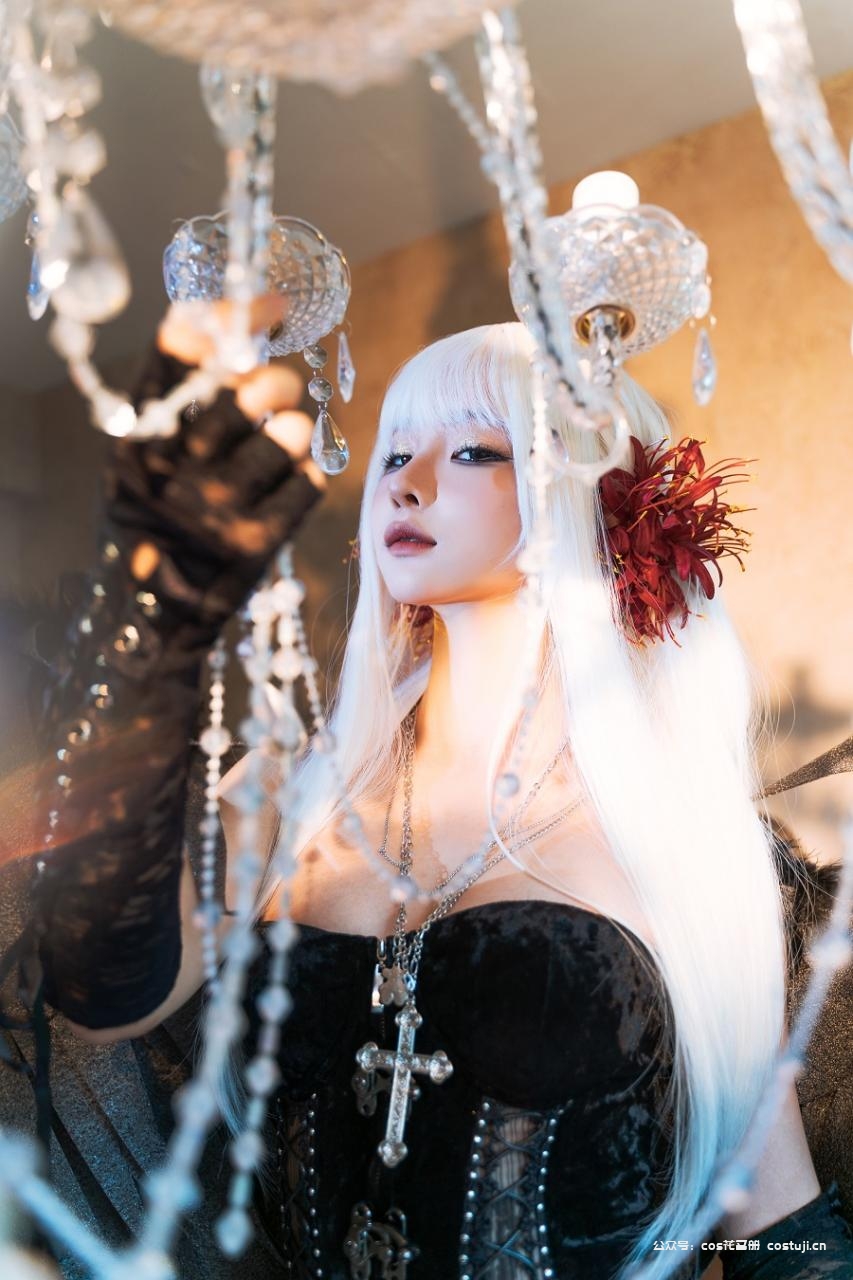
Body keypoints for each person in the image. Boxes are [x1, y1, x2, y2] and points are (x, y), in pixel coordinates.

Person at [11, 298, 853, 1280]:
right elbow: (101, 993)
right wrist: (161, 615)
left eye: (474, 451)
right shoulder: (290, 788)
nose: (405, 484)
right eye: (395, 454)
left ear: (596, 496)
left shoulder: (682, 835)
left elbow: (778, 1228)